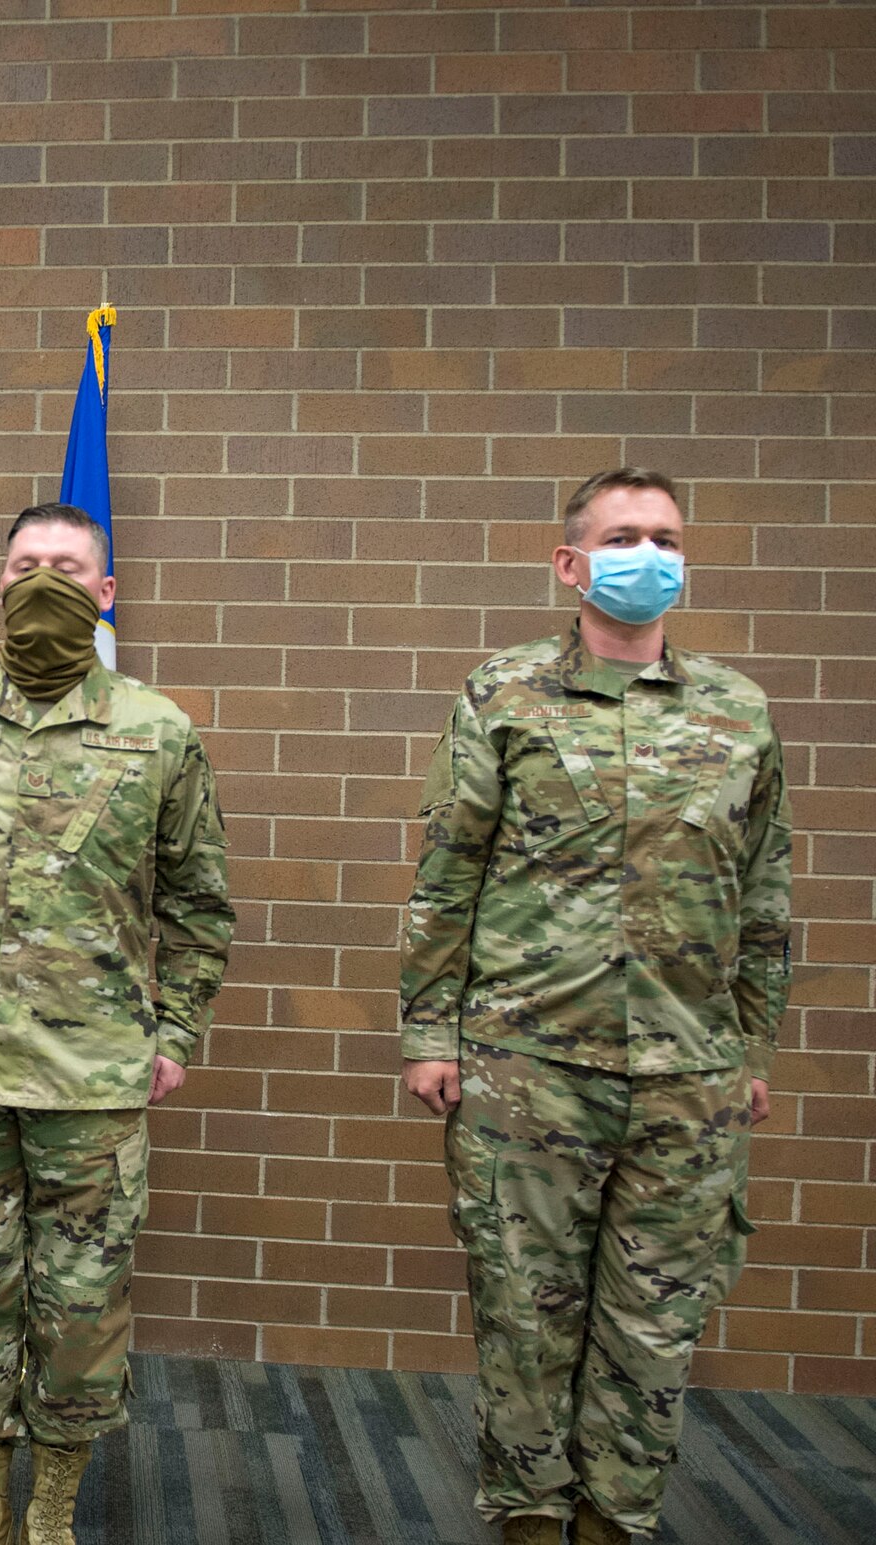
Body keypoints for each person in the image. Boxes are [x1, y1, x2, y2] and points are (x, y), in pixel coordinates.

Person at [399, 469, 792, 1545]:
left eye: (663, 536)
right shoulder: (503, 694)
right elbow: (448, 875)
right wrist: (429, 1031)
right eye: (622, 535)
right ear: (569, 564)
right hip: (527, 1070)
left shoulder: (737, 711)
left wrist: (750, 1049)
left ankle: (616, 1520)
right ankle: (528, 1521)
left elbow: (763, 894)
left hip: (689, 1077)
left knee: (652, 1328)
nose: (648, 554)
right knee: (524, 1321)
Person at [0, 503, 234, 1545]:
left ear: (104, 592)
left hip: (94, 1079)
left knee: (79, 1310)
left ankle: (53, 1514)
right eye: (25, 564)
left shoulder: (156, 731)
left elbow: (198, 906)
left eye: (66, 568)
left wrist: (172, 1035)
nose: (43, 582)